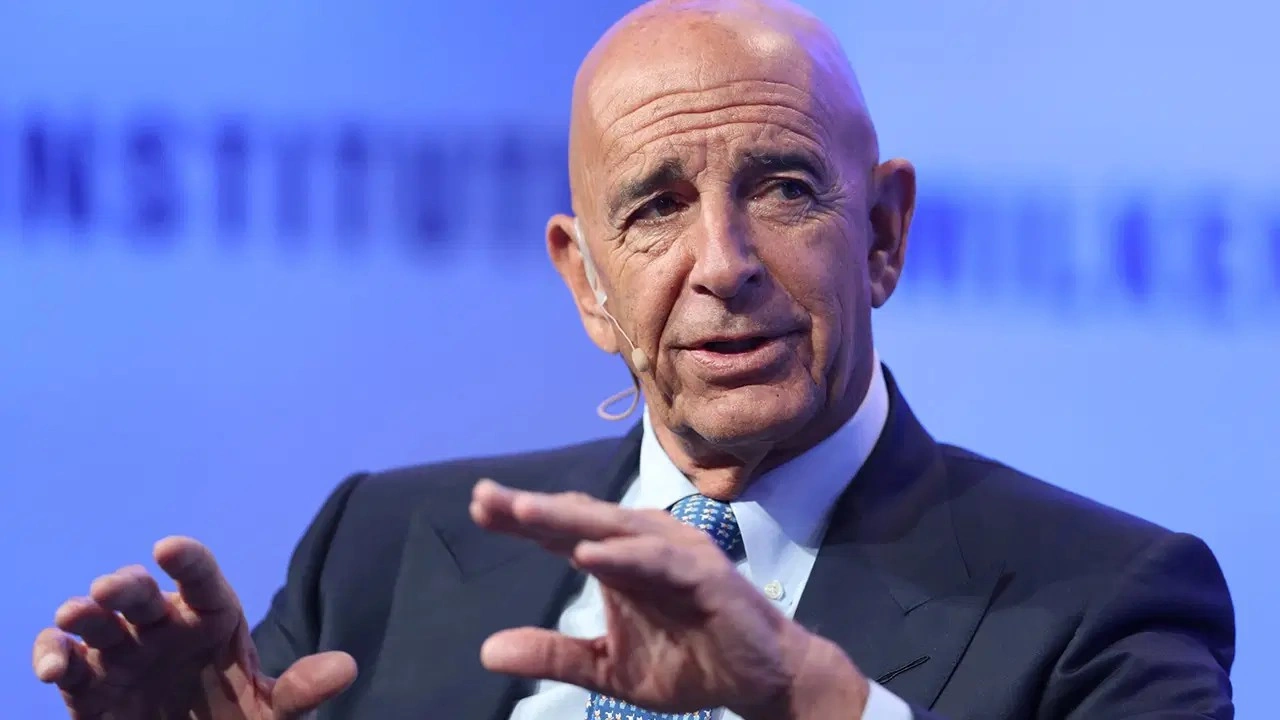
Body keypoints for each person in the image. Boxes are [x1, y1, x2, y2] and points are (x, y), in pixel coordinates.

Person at [31, 0, 1235, 718]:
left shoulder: (1107, 603)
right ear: (585, 281)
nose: (724, 263)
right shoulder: (381, 553)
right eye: (656, 208)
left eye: (782, 188)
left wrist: (811, 701)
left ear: (880, 234)